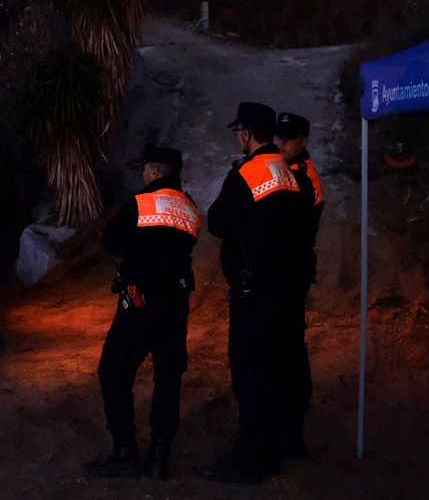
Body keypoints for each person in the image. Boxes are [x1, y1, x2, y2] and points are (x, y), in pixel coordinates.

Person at [198, 102, 301, 484]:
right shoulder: (286, 171)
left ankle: (248, 461)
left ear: (246, 132)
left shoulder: (248, 172)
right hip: (280, 287)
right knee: (271, 371)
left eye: (240, 132)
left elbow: (219, 222)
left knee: (249, 374)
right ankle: (270, 452)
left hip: (252, 290)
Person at [86, 145, 200, 480]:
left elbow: (110, 240)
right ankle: (158, 458)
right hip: (176, 303)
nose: (143, 173)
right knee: (168, 377)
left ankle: (125, 451)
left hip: (140, 302)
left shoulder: (139, 204)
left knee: (113, 371)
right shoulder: (190, 207)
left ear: (154, 171)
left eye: (145, 168)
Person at [273, 111, 324, 459]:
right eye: (278, 138)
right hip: (288, 271)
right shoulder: (287, 170)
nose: (280, 144)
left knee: (288, 349)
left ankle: (292, 432)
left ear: (303, 141)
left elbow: (299, 227)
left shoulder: (305, 177)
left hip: (291, 273)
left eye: (287, 139)